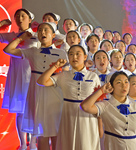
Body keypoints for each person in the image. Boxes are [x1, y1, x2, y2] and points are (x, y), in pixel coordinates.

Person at [3, 22, 68, 150]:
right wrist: (21, 38)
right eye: (40, 31)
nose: (42, 33)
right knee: (40, 132)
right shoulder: (33, 51)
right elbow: (8, 50)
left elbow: (65, 76)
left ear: (53, 35)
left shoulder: (61, 53)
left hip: (53, 93)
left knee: (55, 130)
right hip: (35, 92)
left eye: (46, 30)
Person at [37, 45, 101, 150]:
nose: (74, 57)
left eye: (77, 54)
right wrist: (55, 66)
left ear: (85, 57)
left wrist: (100, 123)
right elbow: (41, 81)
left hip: (87, 116)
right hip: (68, 114)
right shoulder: (63, 75)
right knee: (68, 143)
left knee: (87, 144)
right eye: (71, 54)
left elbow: (98, 102)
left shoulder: (93, 76)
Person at [0, 8, 38, 150]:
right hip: (17, 77)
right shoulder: (13, 36)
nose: (20, 19)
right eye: (17, 16)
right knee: (20, 111)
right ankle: (22, 144)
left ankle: (33, 143)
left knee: (35, 110)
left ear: (30, 19)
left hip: (33, 76)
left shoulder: (37, 36)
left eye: (23, 16)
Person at [80, 71, 136, 150]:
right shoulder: (105, 105)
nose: (124, 85)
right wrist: (102, 90)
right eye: (119, 82)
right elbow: (85, 106)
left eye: (126, 82)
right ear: (111, 86)